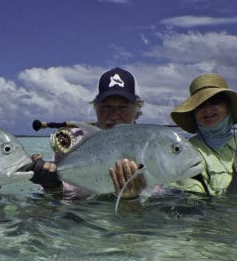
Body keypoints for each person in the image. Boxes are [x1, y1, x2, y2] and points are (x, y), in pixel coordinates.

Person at [29, 67, 146, 199]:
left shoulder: (147, 145)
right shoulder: (73, 141)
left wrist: (132, 200)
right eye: (106, 107)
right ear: (96, 107)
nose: (114, 115)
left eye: (123, 107)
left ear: (137, 110)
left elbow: (155, 194)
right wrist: (52, 185)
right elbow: (61, 198)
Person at [170, 73, 237, 195]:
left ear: (228, 107)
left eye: (215, 101)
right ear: (194, 113)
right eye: (200, 105)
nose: (208, 109)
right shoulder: (184, 156)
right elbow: (196, 207)